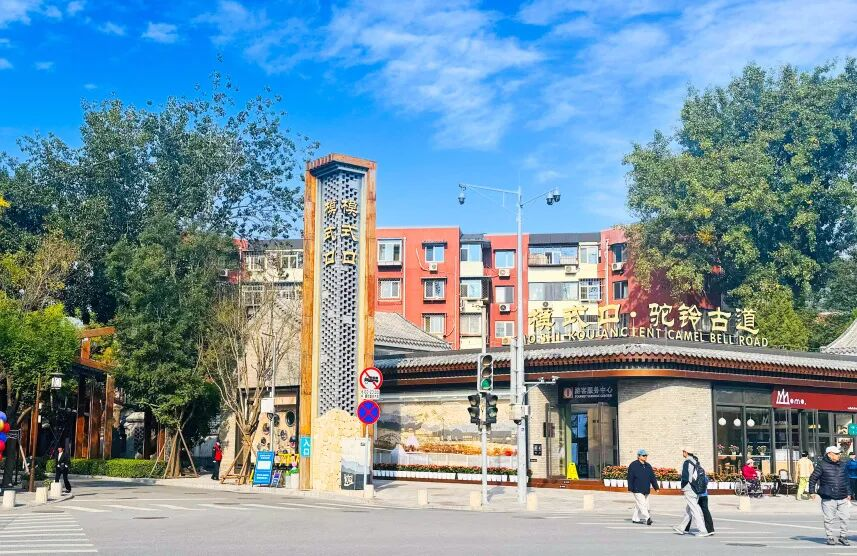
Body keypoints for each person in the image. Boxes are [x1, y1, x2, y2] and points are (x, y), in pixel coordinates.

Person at [810, 446, 852, 546]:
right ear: (829, 454)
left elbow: (846, 480)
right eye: (836, 454)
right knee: (829, 519)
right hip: (828, 497)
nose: (838, 455)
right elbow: (813, 478)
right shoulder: (821, 465)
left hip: (842, 496)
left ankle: (843, 536)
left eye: (839, 453)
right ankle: (830, 537)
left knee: (845, 517)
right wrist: (812, 491)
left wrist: (849, 493)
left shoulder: (843, 465)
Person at [673, 449, 712, 537]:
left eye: (683, 451)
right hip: (697, 489)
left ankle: (702, 530)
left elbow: (685, 477)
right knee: (689, 510)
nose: (683, 453)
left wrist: (683, 487)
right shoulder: (696, 462)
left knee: (694, 510)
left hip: (689, 489)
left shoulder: (687, 462)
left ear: (686, 452)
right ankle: (681, 528)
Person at [683, 453, 714, 534]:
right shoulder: (701, 470)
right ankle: (710, 529)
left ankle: (686, 528)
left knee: (692, 510)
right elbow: (706, 481)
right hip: (704, 494)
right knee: (704, 510)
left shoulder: (694, 470)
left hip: (696, 493)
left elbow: (690, 480)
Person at [628, 448, 659, 525]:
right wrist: (630, 488)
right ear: (639, 456)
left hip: (646, 489)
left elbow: (652, 477)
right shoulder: (633, 465)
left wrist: (656, 487)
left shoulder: (648, 466)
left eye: (646, 455)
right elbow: (630, 477)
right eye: (643, 455)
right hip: (637, 488)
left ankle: (635, 518)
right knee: (642, 504)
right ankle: (648, 518)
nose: (645, 457)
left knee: (639, 504)